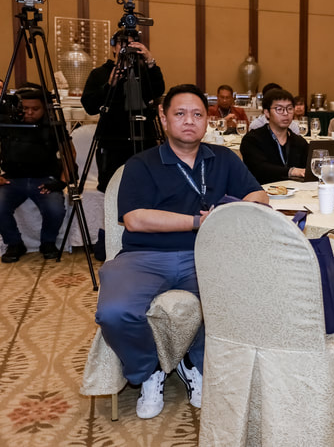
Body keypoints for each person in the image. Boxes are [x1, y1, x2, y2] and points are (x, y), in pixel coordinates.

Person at [94, 84, 269, 419]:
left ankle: (195, 363)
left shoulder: (223, 159)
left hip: (206, 255)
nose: (189, 120)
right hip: (143, 257)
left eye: (197, 114)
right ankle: (149, 369)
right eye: (180, 113)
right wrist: (197, 221)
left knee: (235, 298)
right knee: (114, 312)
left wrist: (235, 211)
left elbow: (258, 196)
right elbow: (134, 219)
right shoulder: (141, 164)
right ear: (163, 119)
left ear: (207, 119)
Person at [81, 29, 165, 192]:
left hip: (144, 139)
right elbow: (89, 106)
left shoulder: (145, 71)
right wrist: (109, 85)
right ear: (114, 47)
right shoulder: (100, 73)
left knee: (147, 188)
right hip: (113, 142)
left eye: (132, 43)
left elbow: (157, 92)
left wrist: (150, 61)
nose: (127, 47)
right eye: (123, 43)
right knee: (112, 189)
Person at [0, 88, 67, 263]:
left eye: (35, 109)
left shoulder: (53, 126)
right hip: (13, 179)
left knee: (55, 209)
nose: (29, 112)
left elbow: (69, 154)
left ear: (44, 108)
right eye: (25, 108)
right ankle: (14, 244)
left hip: (45, 178)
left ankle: (48, 243)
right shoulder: (8, 124)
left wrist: (62, 181)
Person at [240, 88, 309, 183]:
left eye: (289, 109)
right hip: (262, 190)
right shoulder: (252, 139)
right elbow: (260, 168)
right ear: (267, 113)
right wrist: (291, 171)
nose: (286, 113)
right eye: (279, 109)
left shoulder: (300, 142)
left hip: (296, 190)